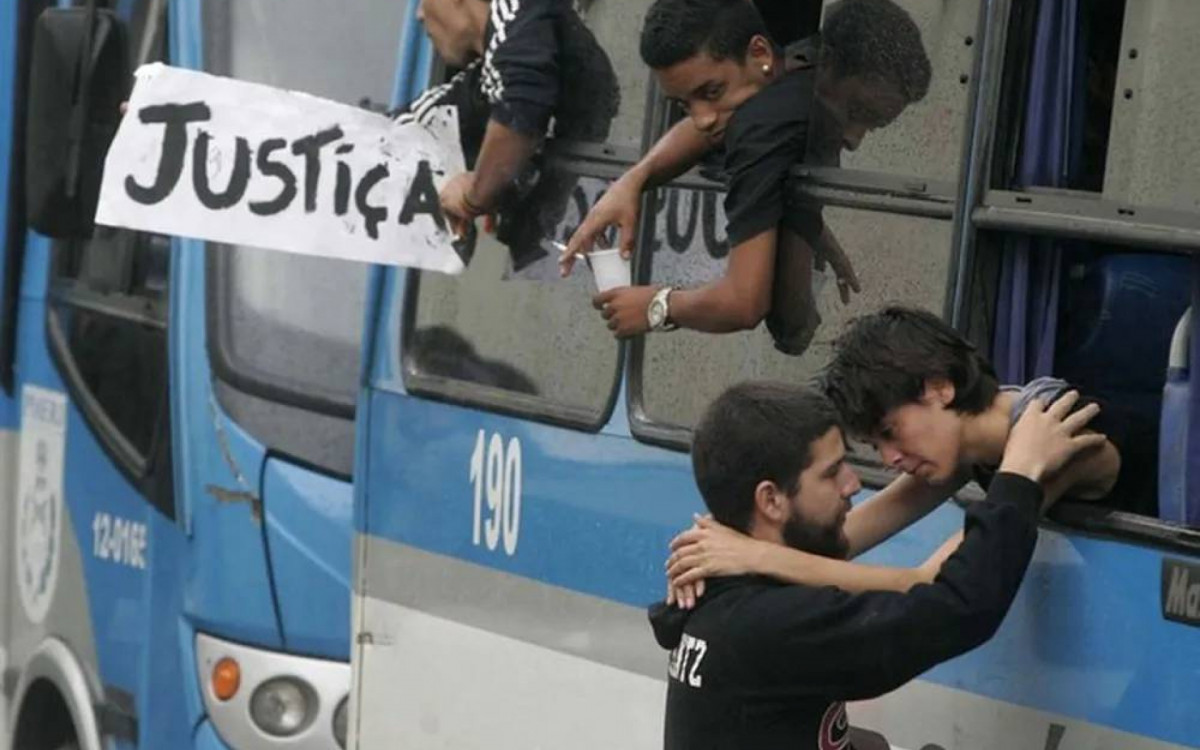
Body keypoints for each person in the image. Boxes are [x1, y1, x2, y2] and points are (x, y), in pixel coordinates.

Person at [652, 381, 1104, 749]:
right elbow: (956, 608)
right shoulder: (769, 625)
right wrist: (1022, 473)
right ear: (770, 500)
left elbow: (840, 544)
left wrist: (967, 450)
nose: (853, 484)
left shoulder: (729, 591)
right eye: (831, 473)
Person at [665, 306, 1145, 606]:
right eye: (877, 445)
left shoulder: (1054, 433)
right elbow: (841, 541)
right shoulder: (965, 448)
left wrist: (756, 554)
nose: (891, 458)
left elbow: (931, 583)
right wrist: (721, 541)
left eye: (891, 432)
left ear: (940, 386)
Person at [560, 0, 929, 355]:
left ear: (763, 55)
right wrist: (632, 181)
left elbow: (749, 306)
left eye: (869, 118)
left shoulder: (773, 118)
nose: (853, 136)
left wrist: (656, 305)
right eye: (687, 104)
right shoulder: (778, 98)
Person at [402, 0, 619, 268]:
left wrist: (473, 196)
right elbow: (413, 124)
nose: (419, 14)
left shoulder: (517, 14)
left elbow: (522, 105)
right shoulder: (487, 74)